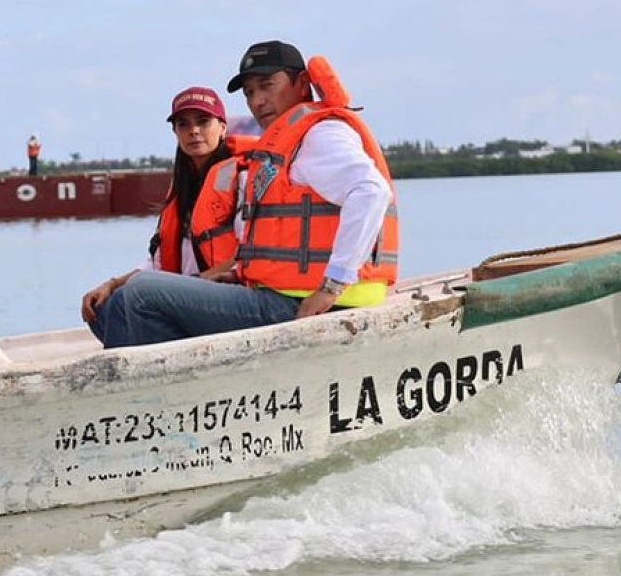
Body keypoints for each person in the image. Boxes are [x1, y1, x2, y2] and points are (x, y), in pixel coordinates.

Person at [96, 40, 396, 348]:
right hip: (285, 295)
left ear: (302, 83)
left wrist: (332, 287)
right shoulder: (288, 143)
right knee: (109, 308)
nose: (258, 101)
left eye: (267, 86)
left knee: (139, 294)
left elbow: (371, 191)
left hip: (308, 303)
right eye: (250, 92)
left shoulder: (319, 134)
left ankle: (146, 391)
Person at [82, 86, 236, 344]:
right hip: (187, 293)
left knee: (132, 298)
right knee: (102, 307)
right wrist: (112, 283)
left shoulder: (242, 178)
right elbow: (160, 262)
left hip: (228, 293)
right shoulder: (181, 191)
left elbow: (255, 248)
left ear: (222, 127)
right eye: (183, 124)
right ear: (175, 132)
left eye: (203, 121)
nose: (194, 131)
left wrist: (205, 278)